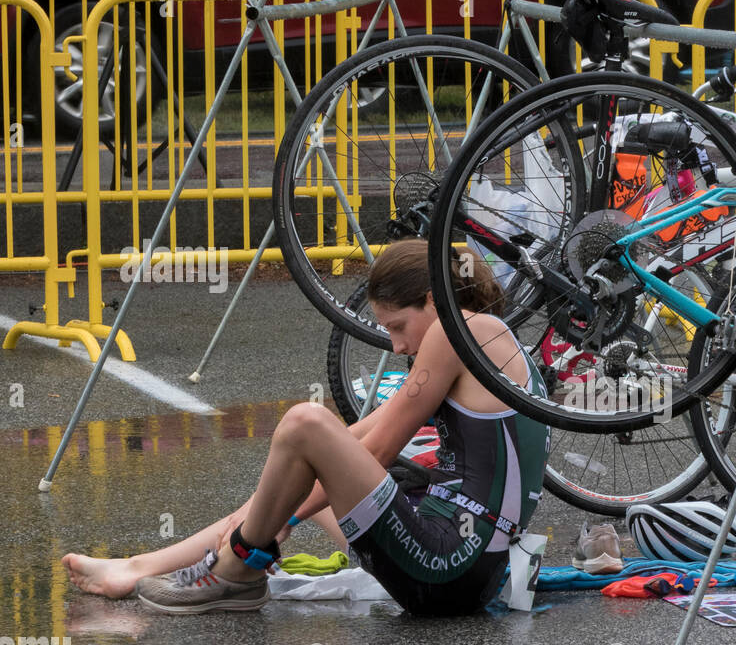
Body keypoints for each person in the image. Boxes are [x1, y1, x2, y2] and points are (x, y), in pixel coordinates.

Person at [63, 239, 550, 617]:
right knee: (294, 475)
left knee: (305, 422)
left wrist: (279, 526)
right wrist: (261, 515)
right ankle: (139, 568)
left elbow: (377, 450)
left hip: (448, 563)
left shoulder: (455, 329)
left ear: (432, 299)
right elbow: (358, 438)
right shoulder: (485, 332)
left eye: (399, 327)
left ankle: (237, 569)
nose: (398, 347)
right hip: (469, 571)